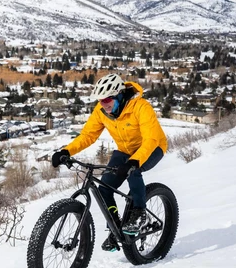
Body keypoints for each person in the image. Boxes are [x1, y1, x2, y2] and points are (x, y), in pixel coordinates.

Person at [51, 74, 167, 251]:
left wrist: (133, 162)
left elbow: (150, 139)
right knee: (104, 187)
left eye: (107, 99)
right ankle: (115, 228)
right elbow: (88, 135)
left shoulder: (141, 107)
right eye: (100, 100)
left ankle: (139, 213)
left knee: (133, 172)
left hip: (153, 147)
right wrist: (66, 151)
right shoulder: (101, 111)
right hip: (125, 151)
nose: (103, 104)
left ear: (119, 95)